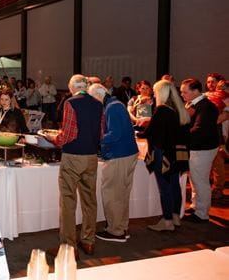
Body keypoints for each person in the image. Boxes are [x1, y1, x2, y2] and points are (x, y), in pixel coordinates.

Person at [43, 74, 102, 256]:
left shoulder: (71, 103)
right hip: (91, 156)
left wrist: (53, 139)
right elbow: (101, 131)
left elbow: (69, 133)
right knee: (89, 200)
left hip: (73, 156)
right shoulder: (98, 103)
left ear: (72, 87)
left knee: (68, 201)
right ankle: (88, 241)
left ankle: (69, 247)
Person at [137, 80, 190, 231]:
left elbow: (151, 132)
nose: (153, 93)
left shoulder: (162, 110)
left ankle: (166, 221)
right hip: (178, 154)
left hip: (163, 153)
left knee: (164, 188)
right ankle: (175, 217)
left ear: (161, 92)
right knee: (175, 186)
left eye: (155, 91)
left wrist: (136, 133)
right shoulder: (179, 108)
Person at [88, 84, 138, 242]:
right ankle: (122, 227)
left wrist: (95, 138)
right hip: (127, 153)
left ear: (97, 96)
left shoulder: (112, 107)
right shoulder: (116, 104)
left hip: (118, 154)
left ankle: (115, 231)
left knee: (112, 194)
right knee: (121, 194)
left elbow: (115, 134)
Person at [180, 78, 219, 222]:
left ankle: (202, 214)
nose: (182, 94)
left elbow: (199, 130)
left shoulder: (206, 106)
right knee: (195, 179)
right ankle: (196, 206)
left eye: (185, 92)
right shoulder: (194, 104)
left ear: (196, 91)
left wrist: (180, 136)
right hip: (197, 147)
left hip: (203, 148)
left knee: (200, 180)